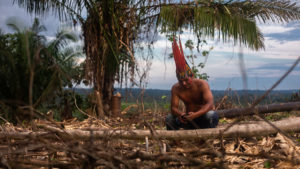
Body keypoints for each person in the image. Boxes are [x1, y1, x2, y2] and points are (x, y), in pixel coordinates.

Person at [165, 37, 219, 130]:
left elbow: (210, 104)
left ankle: (206, 140)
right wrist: (181, 115)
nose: (184, 83)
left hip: (203, 119)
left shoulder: (202, 84)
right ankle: (175, 143)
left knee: (211, 115)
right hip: (188, 120)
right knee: (169, 118)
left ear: (192, 76)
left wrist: (195, 115)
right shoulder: (176, 88)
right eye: (181, 81)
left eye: (186, 80)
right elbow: (173, 108)